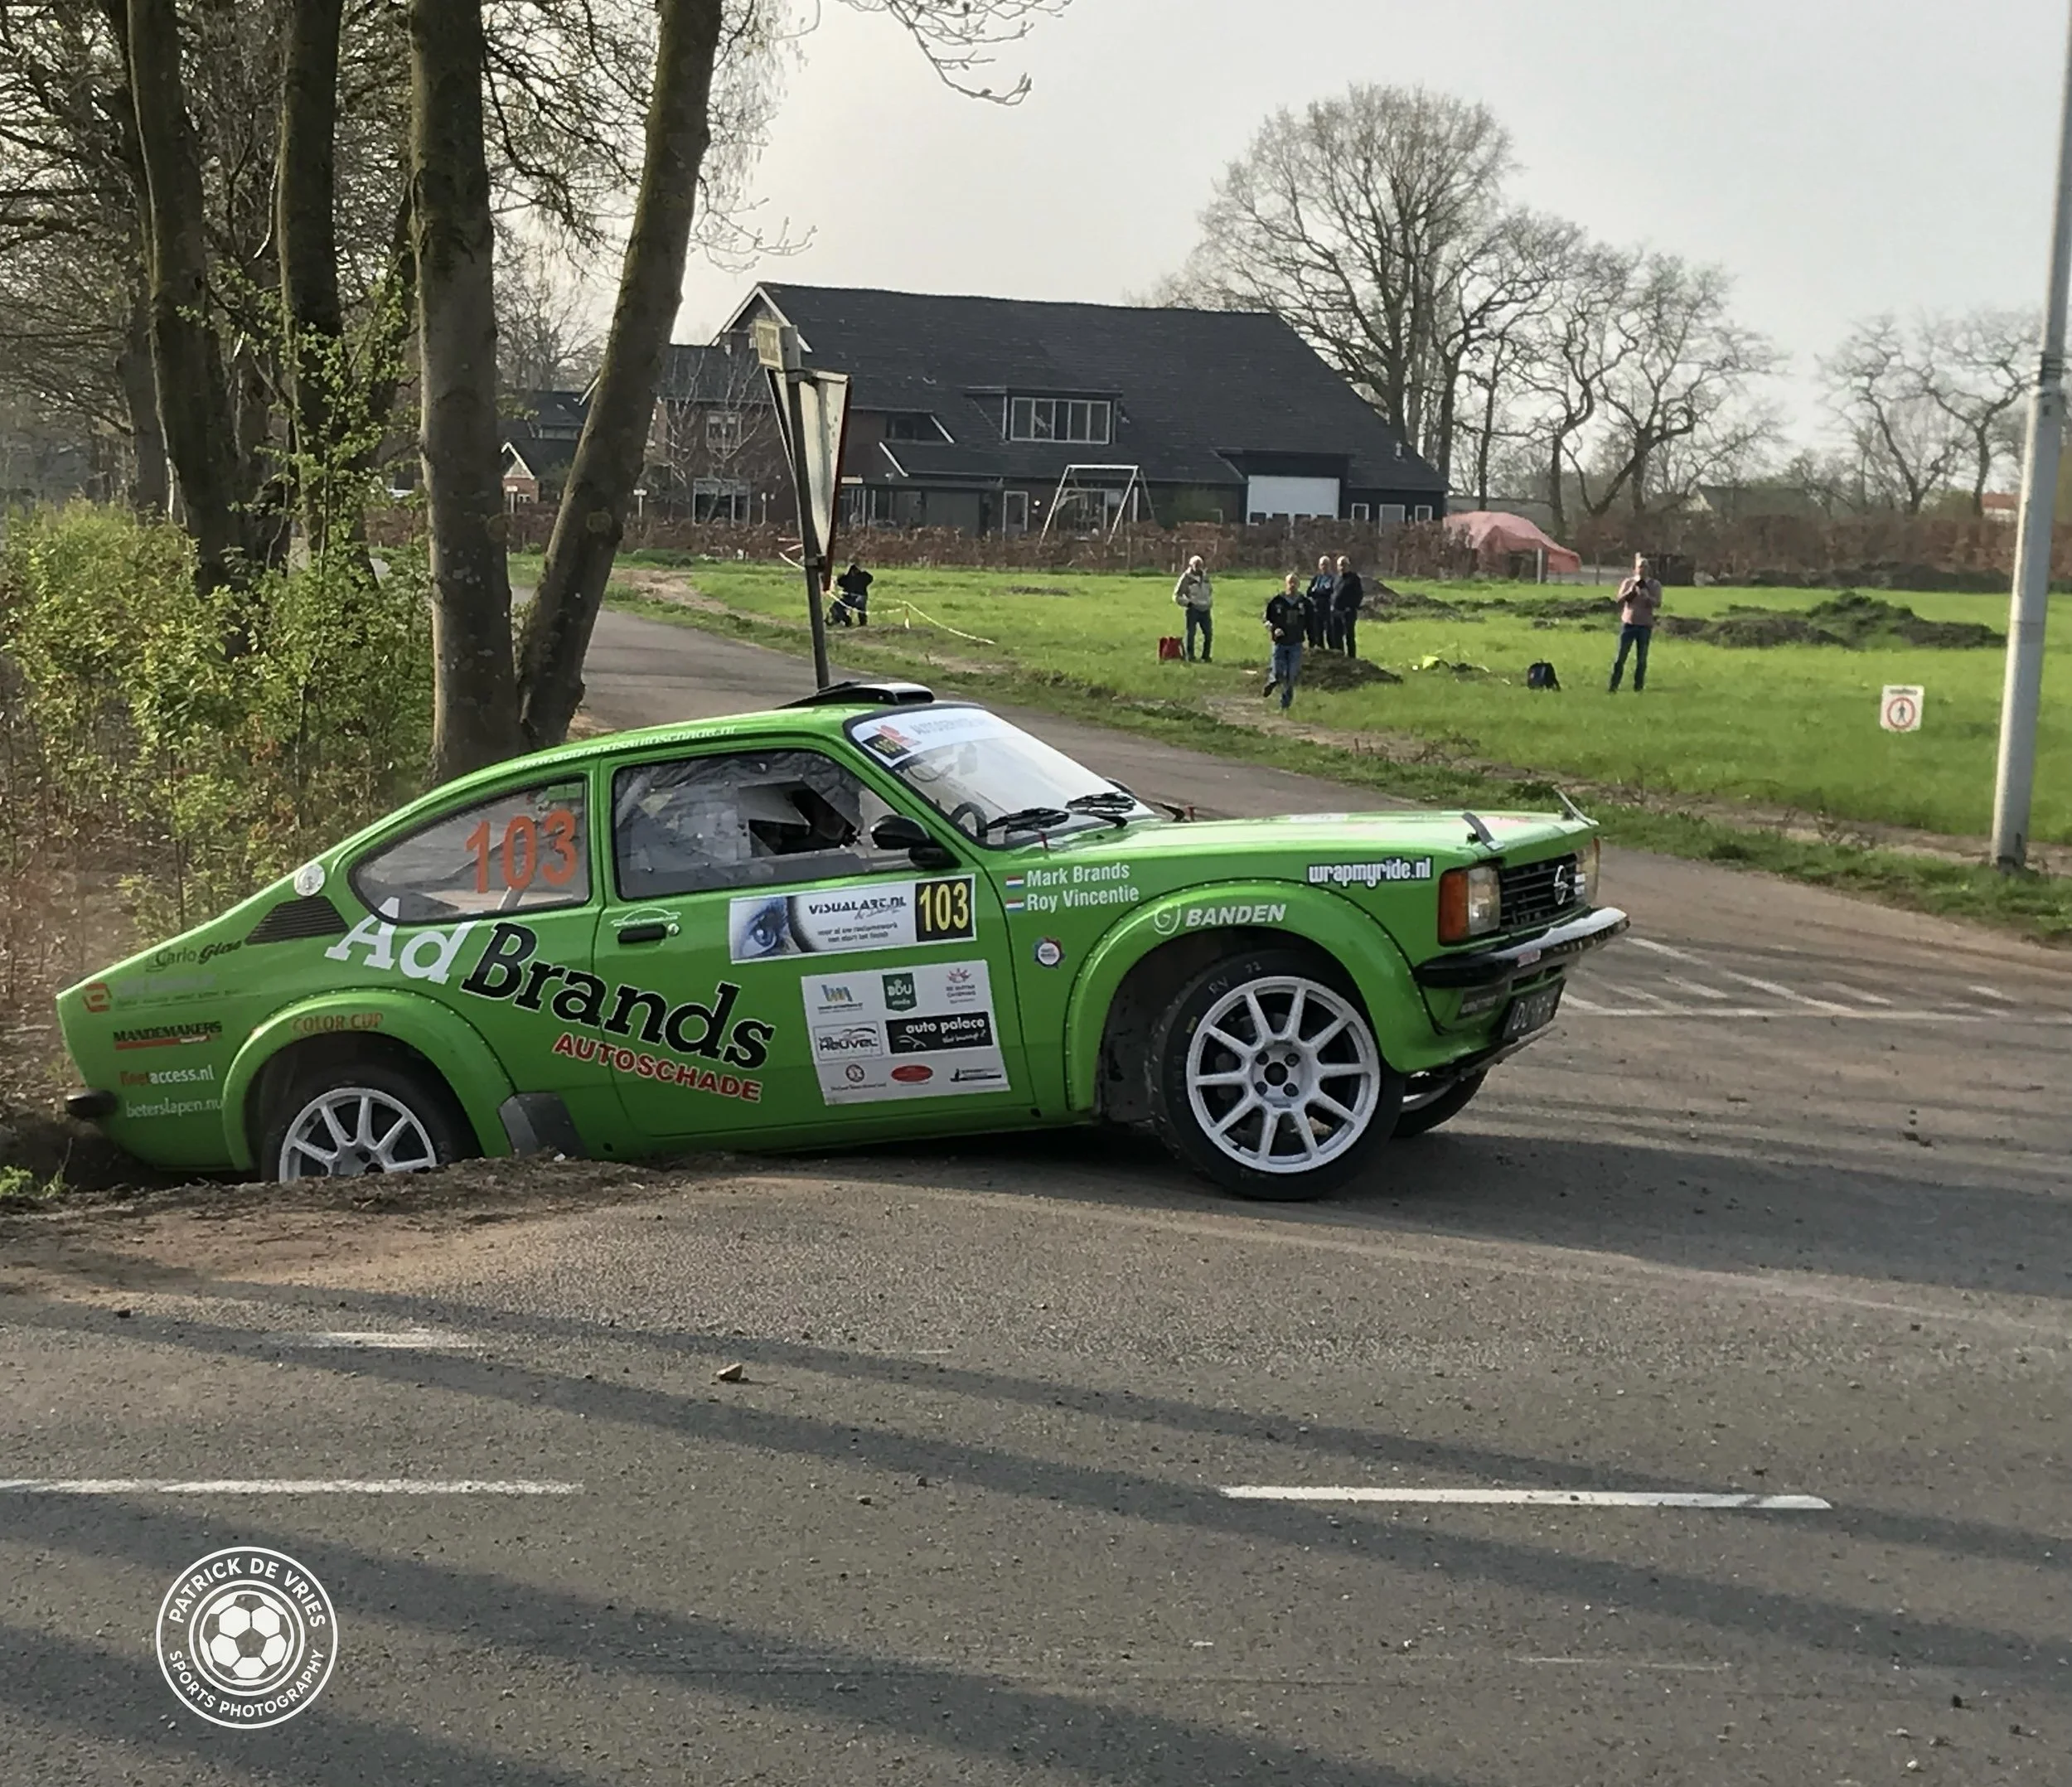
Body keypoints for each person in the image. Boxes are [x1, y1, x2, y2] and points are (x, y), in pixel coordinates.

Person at [1609, 553, 1663, 692]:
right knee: (1620, 657)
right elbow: (1618, 600)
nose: (1642, 569)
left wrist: (1647, 597)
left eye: (1645, 567)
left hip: (1645, 626)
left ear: (1649, 569)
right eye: (1640, 567)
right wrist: (1630, 592)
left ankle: (1638, 688)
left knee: (1641, 659)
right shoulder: (1628, 582)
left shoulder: (1655, 585)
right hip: (1628, 624)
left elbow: (1658, 604)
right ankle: (1613, 686)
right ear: (1635, 569)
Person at [1262, 573, 1306, 711]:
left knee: (1291, 676)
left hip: (1296, 643)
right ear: (1285, 584)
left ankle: (1285, 704)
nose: (1292, 585)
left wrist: (1313, 639)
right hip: (1280, 643)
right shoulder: (1277, 601)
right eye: (1290, 582)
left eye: (1295, 582)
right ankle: (1272, 682)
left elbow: (1311, 622)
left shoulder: (1304, 603)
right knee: (1278, 672)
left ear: (1298, 585)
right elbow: (1266, 620)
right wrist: (1274, 629)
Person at [1172, 555, 1213, 662]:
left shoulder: (1206, 577)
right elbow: (1176, 596)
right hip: (1193, 609)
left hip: (1206, 609)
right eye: (1196, 565)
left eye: (1200, 565)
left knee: (1208, 634)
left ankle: (1206, 656)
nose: (1199, 567)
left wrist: (1209, 601)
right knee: (1191, 634)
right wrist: (1187, 603)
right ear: (1191, 565)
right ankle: (1190, 657)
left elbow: (1210, 590)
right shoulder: (1186, 578)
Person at [1330, 555, 1365, 657]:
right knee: (1337, 637)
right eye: (1340, 565)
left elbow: (1359, 595)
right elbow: (1333, 593)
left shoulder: (1354, 578)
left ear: (1348, 566)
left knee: (1349, 636)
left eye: (1344, 565)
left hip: (1348, 612)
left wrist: (1351, 607)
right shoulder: (1336, 579)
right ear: (1337, 567)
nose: (1342, 567)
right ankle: (1340, 656)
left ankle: (1352, 658)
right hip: (1336, 611)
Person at [1304, 555, 1335, 650]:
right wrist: (1321, 591)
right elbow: (1309, 592)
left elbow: (1330, 592)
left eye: (1326, 564)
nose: (1324, 567)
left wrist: (1317, 591)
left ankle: (1333, 652)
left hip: (1328, 609)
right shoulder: (1317, 578)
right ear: (1319, 566)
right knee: (1318, 633)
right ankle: (1321, 652)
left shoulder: (1333, 579)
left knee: (1330, 634)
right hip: (1316, 609)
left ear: (1329, 566)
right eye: (1322, 564)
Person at [831, 560, 873, 627]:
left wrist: (862, 570)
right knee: (836, 606)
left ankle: (863, 622)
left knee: (861, 606)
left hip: (859, 598)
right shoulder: (847, 578)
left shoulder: (863, 576)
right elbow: (840, 582)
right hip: (848, 598)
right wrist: (840, 577)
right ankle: (847, 620)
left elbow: (870, 578)